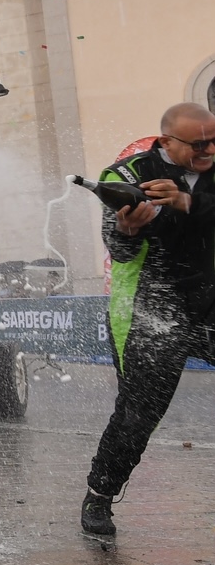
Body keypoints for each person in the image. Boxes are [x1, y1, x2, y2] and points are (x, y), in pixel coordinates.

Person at [81, 102, 215, 536]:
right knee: (139, 413)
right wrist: (128, 230)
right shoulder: (125, 174)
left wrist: (186, 200)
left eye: (214, 140)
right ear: (167, 141)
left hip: (210, 298)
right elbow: (117, 250)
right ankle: (100, 495)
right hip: (151, 306)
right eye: (199, 144)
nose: (209, 149)